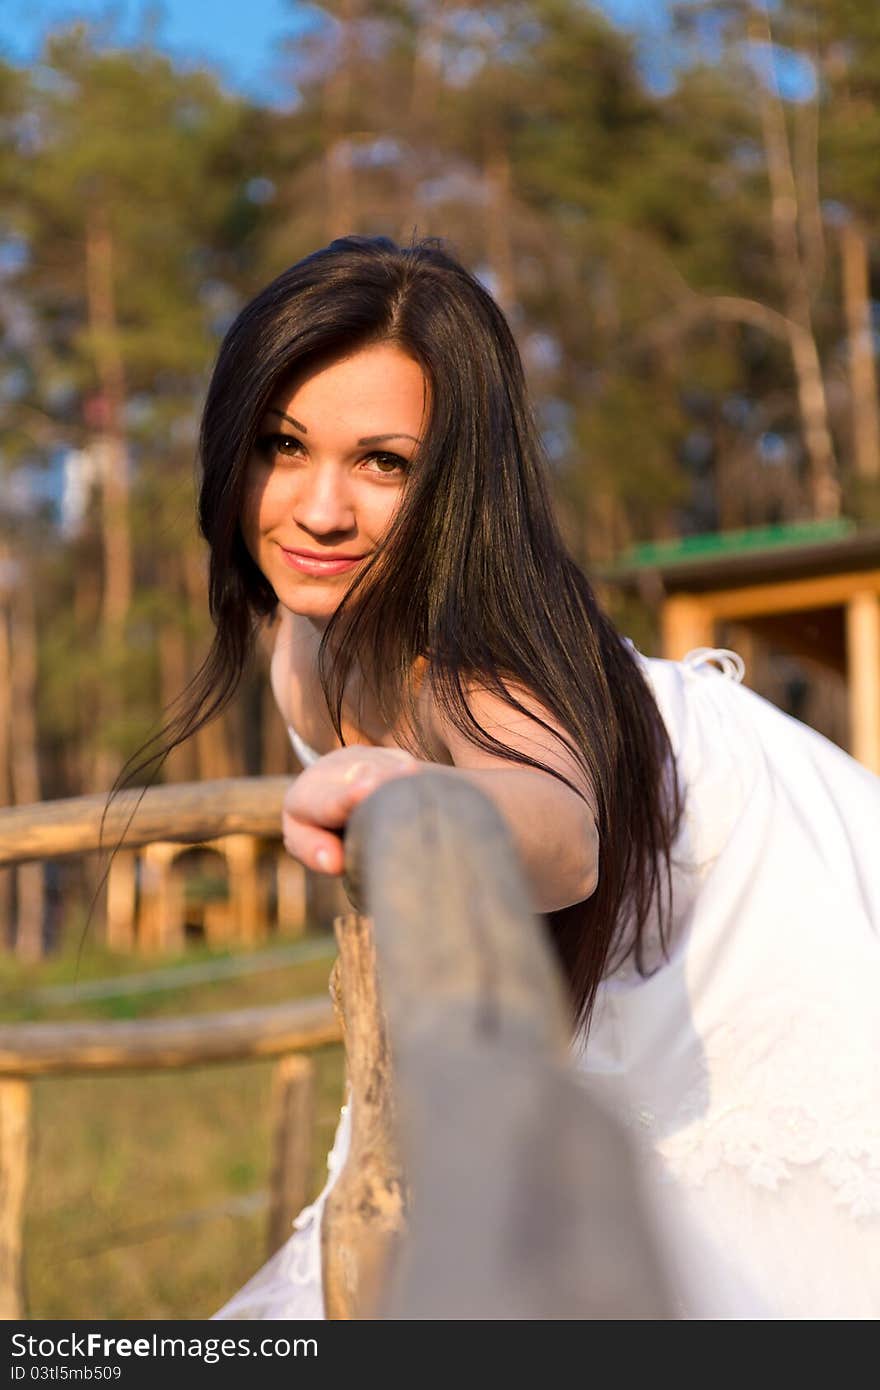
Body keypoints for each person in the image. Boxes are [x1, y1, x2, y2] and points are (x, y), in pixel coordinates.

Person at [128, 233, 878, 1319]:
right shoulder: (302, 622)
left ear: (456, 483)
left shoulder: (472, 656)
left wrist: (407, 793)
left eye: (384, 462)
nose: (320, 508)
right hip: (609, 999)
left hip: (799, 936)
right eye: (282, 446)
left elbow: (558, 832)